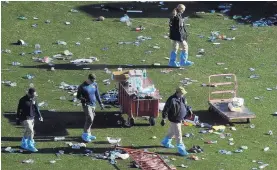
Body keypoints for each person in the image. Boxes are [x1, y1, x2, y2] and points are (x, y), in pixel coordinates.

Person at [160, 86, 189, 156]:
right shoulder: (171, 99)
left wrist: (188, 109)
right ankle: (181, 150)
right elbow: (166, 109)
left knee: (172, 132)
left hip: (180, 119)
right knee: (178, 134)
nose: (183, 94)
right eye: (182, 93)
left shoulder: (182, 98)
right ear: (177, 92)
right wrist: (164, 118)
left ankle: (165, 142)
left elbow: (185, 105)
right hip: (175, 119)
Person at [77, 74, 104, 143]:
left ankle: (88, 134)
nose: (93, 82)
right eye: (92, 80)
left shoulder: (94, 84)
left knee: (91, 119)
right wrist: (83, 99)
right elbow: (78, 96)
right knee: (90, 118)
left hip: (93, 104)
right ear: (88, 79)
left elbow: (97, 94)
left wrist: (100, 103)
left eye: (94, 81)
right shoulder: (82, 86)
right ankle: (85, 135)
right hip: (86, 105)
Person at [16, 88, 43, 152]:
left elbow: (36, 108)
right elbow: (19, 109)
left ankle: (23, 143)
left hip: (32, 118)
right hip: (25, 118)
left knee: (27, 131)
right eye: (33, 95)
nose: (34, 95)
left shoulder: (34, 99)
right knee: (31, 131)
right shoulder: (22, 100)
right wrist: (17, 118)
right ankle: (30, 145)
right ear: (29, 94)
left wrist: (40, 116)